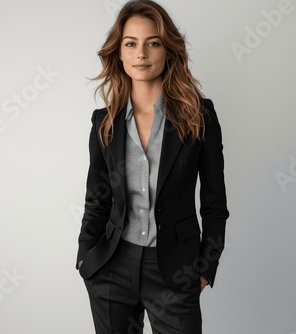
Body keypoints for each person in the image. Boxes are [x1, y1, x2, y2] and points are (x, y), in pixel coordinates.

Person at [76, 1, 229, 333]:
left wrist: (205, 269)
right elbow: (97, 200)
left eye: (153, 43)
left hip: (175, 269)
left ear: (168, 50)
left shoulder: (199, 117)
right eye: (130, 43)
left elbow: (215, 204)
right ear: (119, 52)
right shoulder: (105, 123)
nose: (140, 54)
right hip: (112, 267)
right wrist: (85, 257)